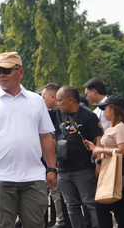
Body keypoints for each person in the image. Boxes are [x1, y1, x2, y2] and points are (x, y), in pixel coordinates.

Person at [0, 52, 57, 228]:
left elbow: (46, 136)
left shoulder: (36, 100)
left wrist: (52, 168)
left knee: (35, 224)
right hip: (0, 176)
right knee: (4, 225)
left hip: (34, 175)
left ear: (21, 72)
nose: (1, 75)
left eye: (6, 70)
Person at [50, 86, 102, 228]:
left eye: (60, 101)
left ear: (71, 100)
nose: (58, 103)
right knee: (71, 205)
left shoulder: (88, 115)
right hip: (63, 169)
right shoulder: (56, 114)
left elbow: (99, 139)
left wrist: (99, 162)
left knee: (90, 203)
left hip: (84, 169)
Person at [84, 95, 124, 226]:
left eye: (105, 108)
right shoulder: (111, 127)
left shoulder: (120, 127)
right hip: (109, 169)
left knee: (119, 207)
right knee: (103, 204)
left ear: (113, 109)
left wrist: (101, 151)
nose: (104, 111)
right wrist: (96, 148)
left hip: (120, 170)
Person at [41, 83, 68, 228]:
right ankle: (58, 221)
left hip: (63, 161)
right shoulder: (51, 114)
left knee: (58, 194)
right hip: (54, 159)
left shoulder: (65, 114)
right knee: (55, 194)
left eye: (43, 97)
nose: (41, 101)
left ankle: (61, 221)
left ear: (53, 96)